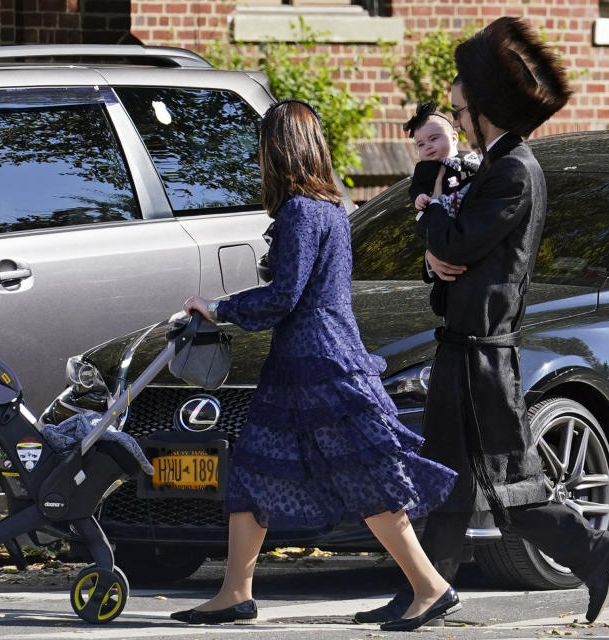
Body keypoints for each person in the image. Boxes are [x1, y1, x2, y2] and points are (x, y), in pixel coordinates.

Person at [356, 17, 609, 626]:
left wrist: (428, 221)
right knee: (446, 476)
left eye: (461, 106)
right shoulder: (496, 163)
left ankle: (594, 550)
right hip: (464, 342)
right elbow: (452, 255)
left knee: (508, 483)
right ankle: (426, 589)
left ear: (485, 113)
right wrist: (435, 250)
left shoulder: (512, 170)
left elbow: (458, 243)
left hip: (485, 350)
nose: (454, 113)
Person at [175, 100, 460, 631]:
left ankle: (430, 586)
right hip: (301, 362)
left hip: (319, 361)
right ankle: (235, 591)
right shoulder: (330, 207)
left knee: (366, 473)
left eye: (264, 147)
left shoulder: (302, 212)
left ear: (278, 150)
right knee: (255, 469)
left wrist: (220, 309)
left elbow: (286, 295)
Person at [404, 102, 480, 218]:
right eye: (421, 144)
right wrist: (419, 197)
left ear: (454, 138)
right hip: (445, 218)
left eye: (433, 139)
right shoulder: (424, 169)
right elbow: (416, 187)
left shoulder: (470, 157)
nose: (428, 146)